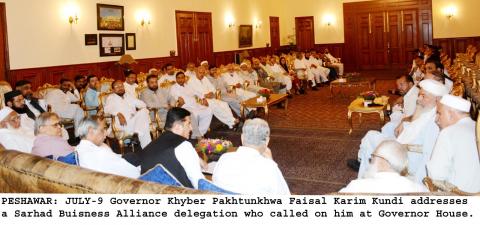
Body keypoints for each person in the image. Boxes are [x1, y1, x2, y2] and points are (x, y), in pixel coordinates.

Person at [356, 79, 448, 181]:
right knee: (371, 135)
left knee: (370, 138)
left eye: (424, 96)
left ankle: (366, 176)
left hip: (406, 155)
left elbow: (427, 151)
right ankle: (368, 169)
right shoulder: (426, 111)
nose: (419, 99)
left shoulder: (435, 120)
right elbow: (414, 127)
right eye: (419, 95)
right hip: (402, 144)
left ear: (437, 99)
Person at [213, 118, 290, 194]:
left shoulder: (224, 159)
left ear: (242, 138)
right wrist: (271, 161)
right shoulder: (270, 168)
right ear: (267, 141)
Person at [139, 107, 205, 188]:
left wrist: (196, 159)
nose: (191, 128)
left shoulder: (150, 146)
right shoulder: (184, 145)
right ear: (177, 127)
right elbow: (199, 182)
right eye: (189, 124)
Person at [427, 94, 480, 193]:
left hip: (458, 199)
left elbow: (436, 175)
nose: (436, 119)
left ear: (450, 113)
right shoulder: (477, 127)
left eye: (439, 113)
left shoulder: (448, 133)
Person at [340, 140, 428, 193]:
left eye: (373, 157)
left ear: (383, 160)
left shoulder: (357, 187)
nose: (370, 161)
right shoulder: (420, 190)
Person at [76, 117, 141, 178]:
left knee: (131, 156)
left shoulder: (80, 148)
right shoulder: (98, 154)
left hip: (116, 173)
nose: (106, 133)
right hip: (125, 180)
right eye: (102, 130)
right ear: (91, 131)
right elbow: (135, 174)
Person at [104, 80, 152, 148]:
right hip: (122, 124)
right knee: (144, 127)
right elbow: (107, 109)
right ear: (113, 90)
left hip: (133, 122)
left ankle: (138, 135)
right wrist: (118, 114)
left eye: (121, 86)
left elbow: (143, 104)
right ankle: (147, 146)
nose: (120, 88)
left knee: (144, 111)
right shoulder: (111, 97)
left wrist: (136, 113)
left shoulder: (128, 96)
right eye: (117, 86)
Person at [169, 72, 213, 138]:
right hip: (185, 107)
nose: (181, 79)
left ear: (184, 78)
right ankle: (197, 135)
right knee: (193, 114)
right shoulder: (173, 87)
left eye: (182, 78)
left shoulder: (188, 85)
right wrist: (178, 98)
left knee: (209, 110)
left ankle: (200, 133)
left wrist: (203, 98)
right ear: (176, 79)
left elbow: (197, 92)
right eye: (179, 78)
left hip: (195, 105)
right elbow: (173, 96)